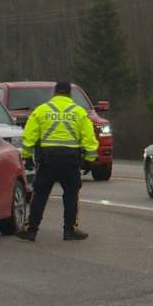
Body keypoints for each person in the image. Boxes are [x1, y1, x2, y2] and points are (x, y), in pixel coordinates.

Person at [17, 80, 99, 241]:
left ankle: (31, 230)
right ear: (69, 94)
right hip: (70, 159)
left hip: (47, 159)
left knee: (40, 194)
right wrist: (89, 159)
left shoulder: (42, 111)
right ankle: (69, 230)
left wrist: (26, 157)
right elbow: (89, 138)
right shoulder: (79, 112)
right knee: (71, 194)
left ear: (55, 93)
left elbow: (28, 136)